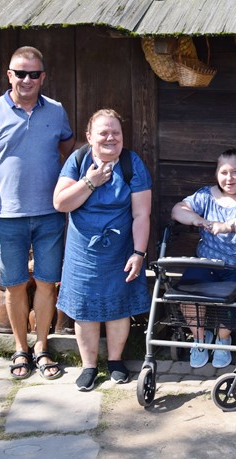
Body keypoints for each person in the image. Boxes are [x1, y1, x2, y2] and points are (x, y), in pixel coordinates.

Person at [0, 46, 74, 381]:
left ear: (43, 77)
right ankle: (20, 348)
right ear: (9, 75)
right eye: (20, 73)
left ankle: (41, 347)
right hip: (8, 216)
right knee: (13, 286)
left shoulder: (56, 111)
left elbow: (69, 155)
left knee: (46, 284)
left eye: (34, 74)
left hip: (49, 214)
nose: (27, 80)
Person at [54, 109, 152, 392]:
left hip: (120, 249)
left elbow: (141, 214)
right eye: (103, 133)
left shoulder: (132, 163)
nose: (111, 138)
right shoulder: (78, 160)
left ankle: (115, 361)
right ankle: (89, 366)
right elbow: (60, 203)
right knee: (84, 308)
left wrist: (139, 253)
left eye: (116, 133)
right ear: (89, 137)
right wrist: (90, 182)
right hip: (82, 250)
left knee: (118, 306)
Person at [170, 149, 236, 369]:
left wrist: (228, 226)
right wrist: (196, 219)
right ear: (216, 174)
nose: (229, 178)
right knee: (187, 288)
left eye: (235, 171)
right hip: (208, 262)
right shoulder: (206, 195)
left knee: (233, 292)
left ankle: (223, 339)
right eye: (224, 172)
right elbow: (178, 210)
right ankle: (200, 338)